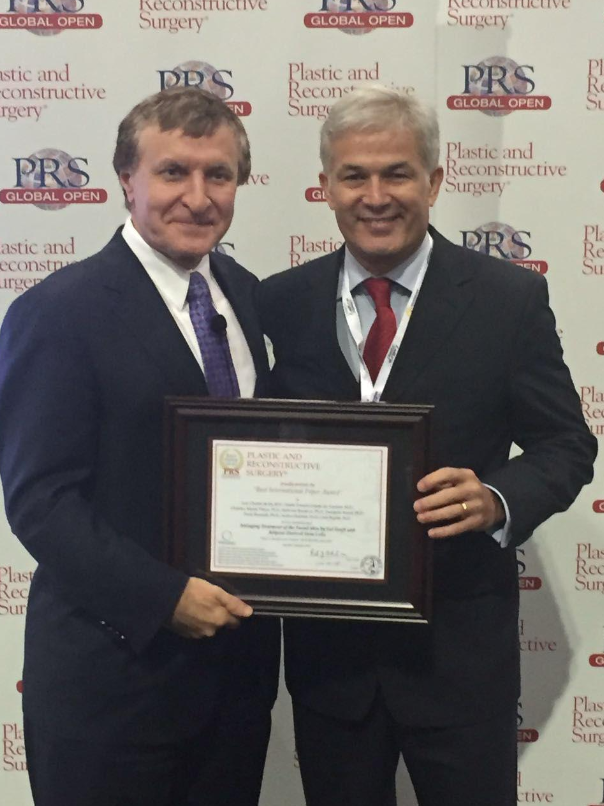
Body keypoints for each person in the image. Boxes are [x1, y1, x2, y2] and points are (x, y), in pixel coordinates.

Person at [257, 85, 597, 806]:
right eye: (354, 176)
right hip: (330, 663)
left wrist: (497, 498)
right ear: (326, 186)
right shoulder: (280, 302)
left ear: (435, 181)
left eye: (398, 174)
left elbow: (567, 444)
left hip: (460, 661)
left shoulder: (508, 300)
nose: (376, 196)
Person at [0, 87, 280, 806]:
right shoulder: (57, 312)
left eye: (218, 175)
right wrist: (164, 598)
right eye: (173, 172)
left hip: (236, 679)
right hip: (111, 684)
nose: (198, 197)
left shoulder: (250, 298)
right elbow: (40, 501)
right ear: (127, 180)